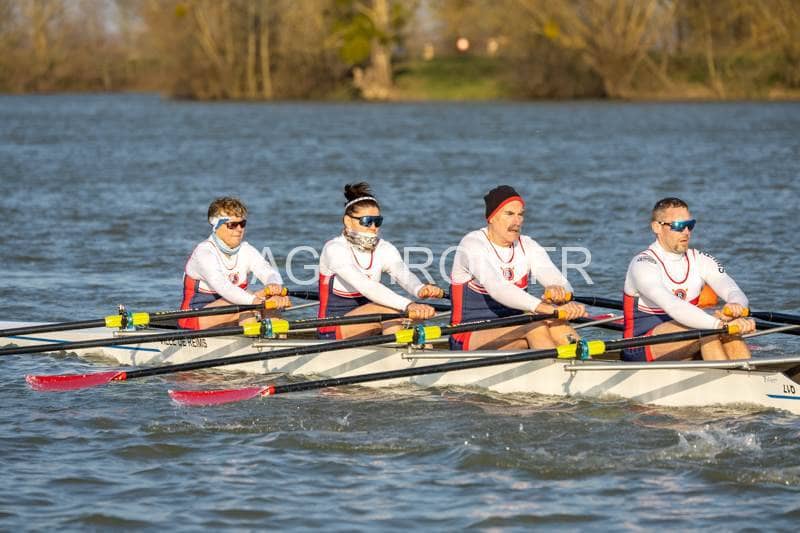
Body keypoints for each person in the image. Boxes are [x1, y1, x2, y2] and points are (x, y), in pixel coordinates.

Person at [449, 185, 586, 351]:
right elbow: (498, 288)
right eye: (509, 214)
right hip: (468, 334)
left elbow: (555, 278)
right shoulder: (472, 244)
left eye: (520, 214)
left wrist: (560, 293)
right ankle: (556, 364)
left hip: (515, 329)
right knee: (535, 323)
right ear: (491, 217)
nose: (517, 221)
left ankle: (583, 361)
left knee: (556, 322)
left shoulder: (528, 245)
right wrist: (544, 308)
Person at [622, 197, 755, 361]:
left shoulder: (700, 259)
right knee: (710, 328)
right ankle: (727, 372)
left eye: (690, 225)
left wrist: (736, 306)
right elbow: (673, 306)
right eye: (678, 226)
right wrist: (720, 325)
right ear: (657, 227)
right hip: (639, 347)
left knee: (727, 326)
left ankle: (745, 370)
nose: (686, 232)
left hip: (686, 337)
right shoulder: (643, 264)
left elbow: (732, 289)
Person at [317, 182, 445, 339]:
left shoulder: (384, 248)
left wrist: (420, 288)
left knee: (414, 318)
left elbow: (402, 274)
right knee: (393, 311)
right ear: (348, 221)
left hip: (370, 321)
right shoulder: (334, 249)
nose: (373, 227)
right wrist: (408, 305)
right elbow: (366, 286)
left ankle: (421, 349)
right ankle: (399, 352)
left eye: (377, 221)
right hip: (332, 329)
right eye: (366, 221)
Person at [178, 197, 289, 329]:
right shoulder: (204, 253)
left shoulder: (246, 250)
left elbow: (268, 271)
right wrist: (255, 299)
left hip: (235, 310)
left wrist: (274, 286)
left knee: (269, 303)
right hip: (193, 319)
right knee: (247, 304)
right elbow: (223, 286)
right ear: (216, 226)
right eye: (232, 225)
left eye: (242, 224)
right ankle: (254, 339)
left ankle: (277, 337)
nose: (239, 229)